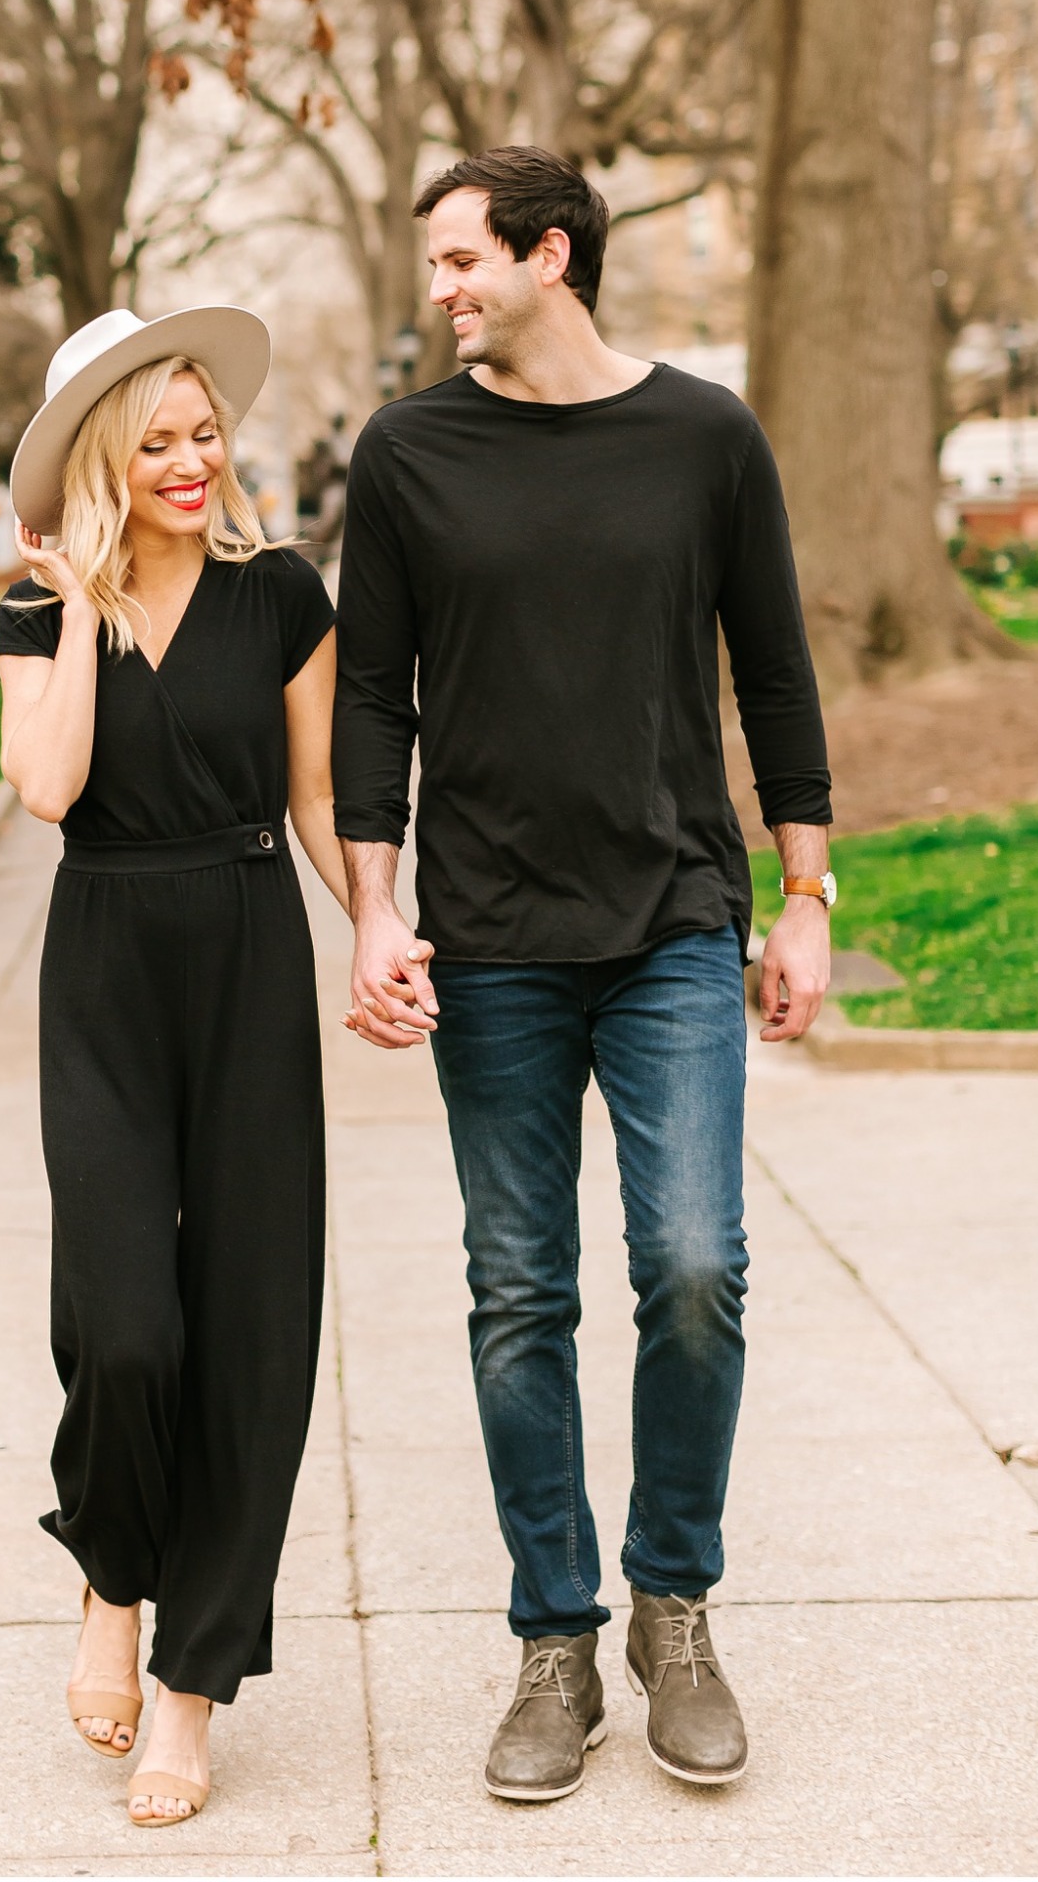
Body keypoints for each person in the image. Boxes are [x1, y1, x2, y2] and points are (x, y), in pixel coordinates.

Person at [332, 146, 834, 1803]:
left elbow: (771, 669)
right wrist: (374, 909)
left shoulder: (704, 437)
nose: (443, 287)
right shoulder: (406, 452)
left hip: (672, 923)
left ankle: (668, 1609)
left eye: (465, 259)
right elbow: (376, 700)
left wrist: (806, 893)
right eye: (435, 265)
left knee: (694, 1266)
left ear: (554, 255)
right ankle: (554, 1638)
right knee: (515, 1295)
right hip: (485, 943)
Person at [0, 306, 385, 1827]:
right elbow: (47, 789)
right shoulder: (40, 619)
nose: (188, 460)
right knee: (127, 1325)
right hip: (102, 966)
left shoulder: (281, 592)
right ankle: (110, 1572)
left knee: (247, 1330)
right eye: (152, 439)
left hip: (241, 955)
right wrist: (79, 601)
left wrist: (381, 933)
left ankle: (191, 1690)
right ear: (101, 454)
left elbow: (311, 796)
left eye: (201, 431)